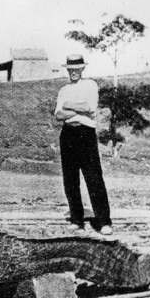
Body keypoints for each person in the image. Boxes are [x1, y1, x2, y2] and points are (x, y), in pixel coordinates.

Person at [54, 54, 112, 235]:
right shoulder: (63, 90)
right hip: (68, 134)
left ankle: (103, 222)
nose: (73, 72)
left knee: (93, 177)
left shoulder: (90, 85)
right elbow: (58, 115)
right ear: (67, 70)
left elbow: (90, 108)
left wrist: (68, 106)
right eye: (71, 69)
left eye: (77, 69)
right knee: (70, 179)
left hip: (85, 134)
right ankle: (77, 219)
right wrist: (74, 109)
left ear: (82, 69)